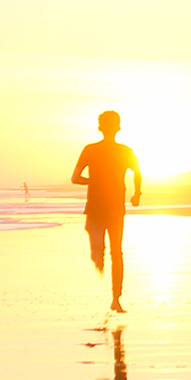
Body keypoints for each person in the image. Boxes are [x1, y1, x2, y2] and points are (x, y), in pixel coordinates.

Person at [72, 111, 141, 312]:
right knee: (117, 253)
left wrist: (93, 181)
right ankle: (116, 300)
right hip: (115, 207)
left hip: (95, 206)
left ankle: (97, 256)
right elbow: (137, 171)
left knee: (99, 247)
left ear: (100, 127)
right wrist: (137, 194)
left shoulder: (90, 150)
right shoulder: (125, 151)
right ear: (118, 128)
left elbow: (75, 178)